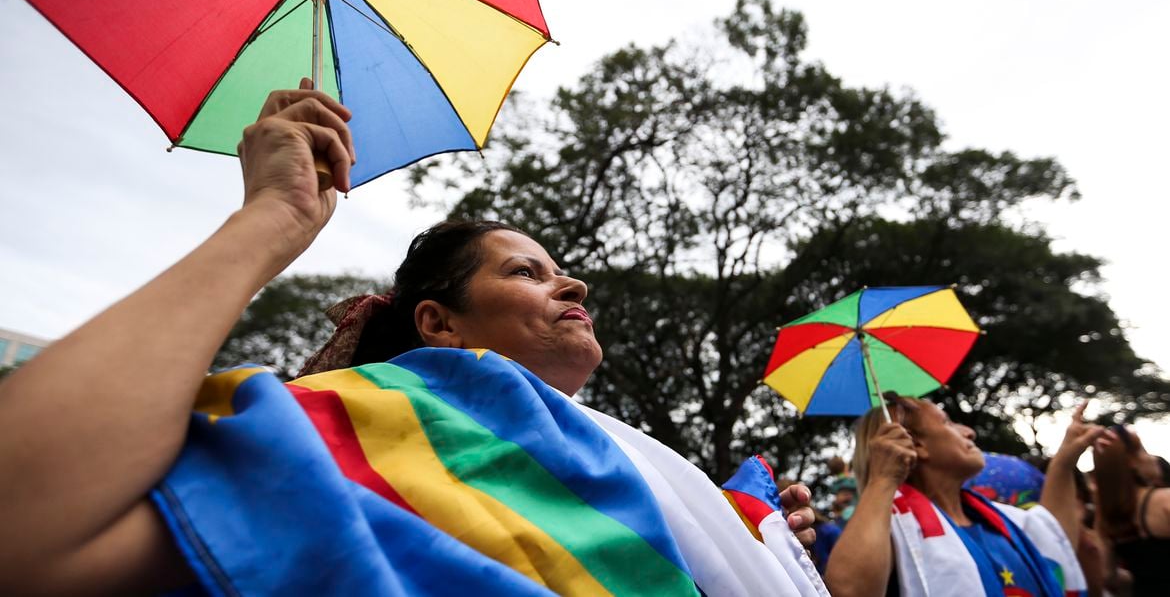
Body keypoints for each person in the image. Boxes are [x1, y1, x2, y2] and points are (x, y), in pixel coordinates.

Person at [0, 82, 826, 596]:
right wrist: (270, 219)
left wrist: (752, 540)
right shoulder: (386, 424)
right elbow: (24, 529)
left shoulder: (631, 470)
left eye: (563, 273)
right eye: (528, 273)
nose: (572, 285)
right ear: (438, 324)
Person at [823, 394, 1099, 597]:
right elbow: (848, 591)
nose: (969, 431)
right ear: (916, 444)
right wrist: (883, 479)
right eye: (947, 422)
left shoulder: (999, 518)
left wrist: (1065, 458)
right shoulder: (893, 528)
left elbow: (1056, 537)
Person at [1093, 424, 1170, 596]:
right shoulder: (1165, 500)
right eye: (1143, 450)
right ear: (1131, 462)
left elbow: (1107, 575)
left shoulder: (1105, 516)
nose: (1152, 458)